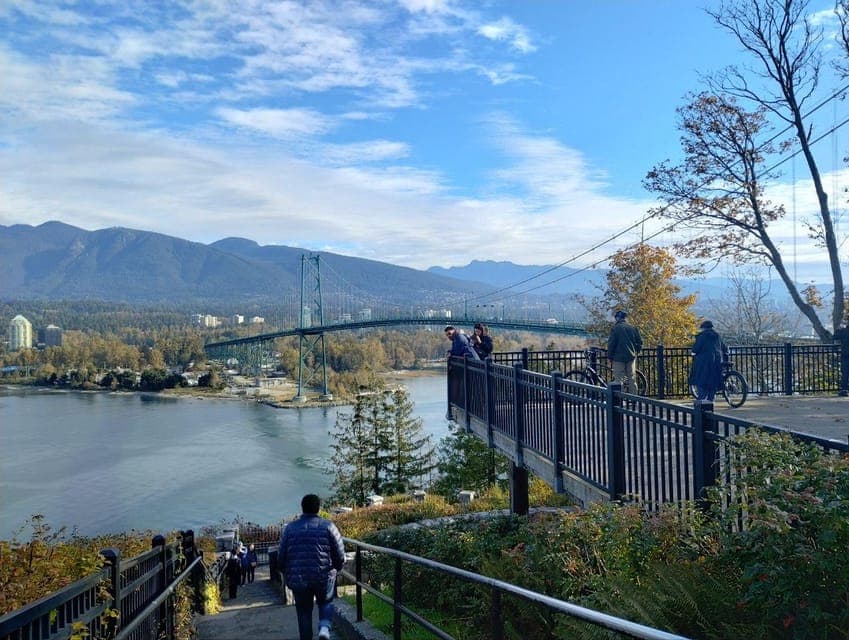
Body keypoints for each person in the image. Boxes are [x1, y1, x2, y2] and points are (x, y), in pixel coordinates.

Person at [278, 494, 346, 640]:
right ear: (318, 508)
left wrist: (287, 572)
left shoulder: (290, 529)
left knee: (303, 612)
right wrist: (337, 568)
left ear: (302, 508)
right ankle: (324, 628)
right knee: (325, 602)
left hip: (299, 579)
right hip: (323, 575)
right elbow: (340, 553)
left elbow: (281, 556)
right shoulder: (328, 526)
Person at [690, 320, 727, 402]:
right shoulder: (717, 336)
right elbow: (724, 347)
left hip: (704, 361)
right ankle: (711, 398)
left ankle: (702, 397)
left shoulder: (702, 336)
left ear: (703, 328)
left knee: (700, 378)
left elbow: (696, 349)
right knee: (713, 379)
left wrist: (693, 352)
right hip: (717, 360)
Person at [606, 310, 643, 393]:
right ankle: (634, 399)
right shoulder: (633, 328)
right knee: (632, 379)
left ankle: (620, 400)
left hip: (618, 357)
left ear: (617, 318)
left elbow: (611, 344)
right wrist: (636, 352)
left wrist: (610, 356)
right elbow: (639, 342)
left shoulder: (615, 328)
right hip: (631, 357)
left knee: (619, 380)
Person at [834, 320, 849, 397]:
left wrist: (838, 328)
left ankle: (844, 390)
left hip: (845, 355)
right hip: (845, 355)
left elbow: (835, 337)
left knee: (845, 374)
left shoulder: (844, 331)